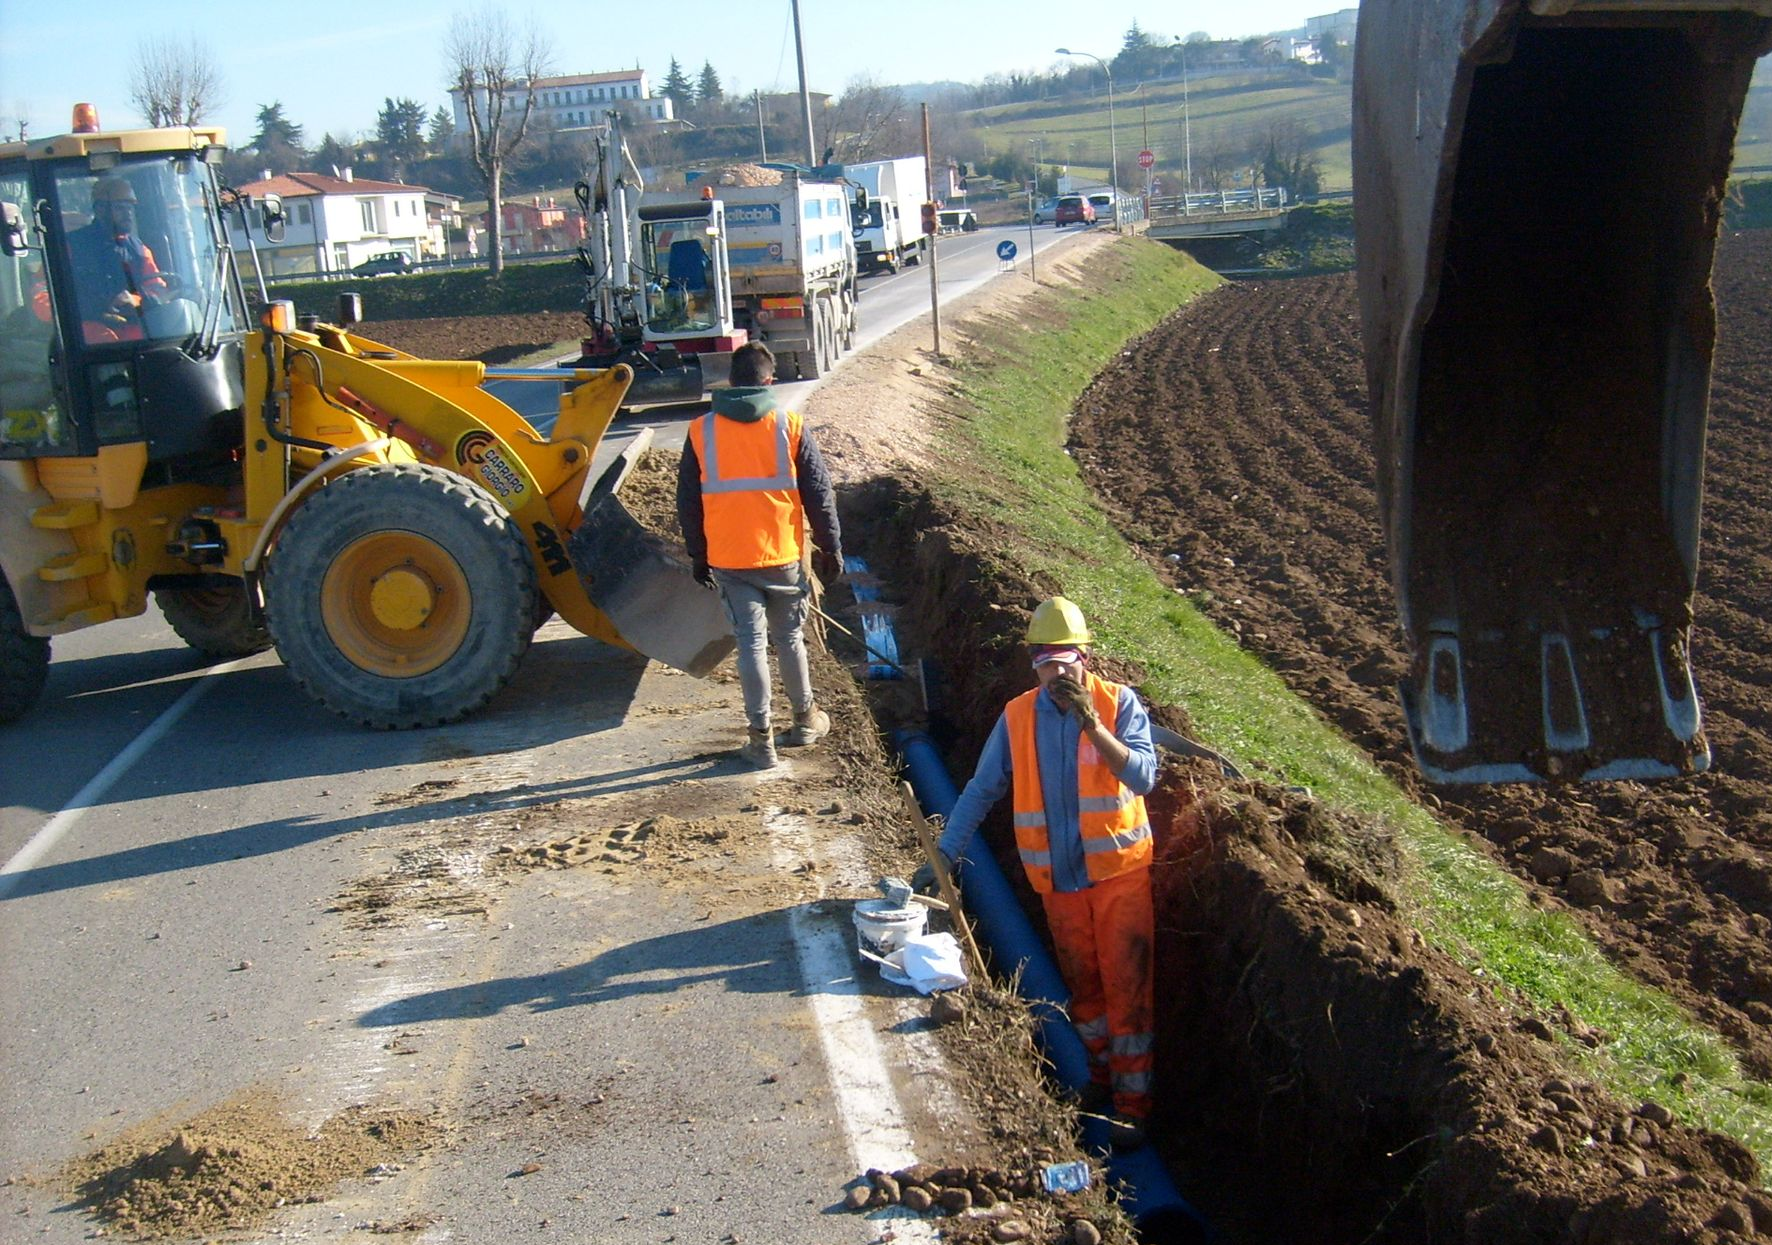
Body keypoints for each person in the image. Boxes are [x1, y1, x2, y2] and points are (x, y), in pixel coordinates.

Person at [933, 596, 1158, 1149]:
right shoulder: (1016, 716)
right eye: (1043, 662)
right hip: (1059, 885)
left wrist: (1093, 726)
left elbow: (1146, 776)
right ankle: (1101, 1082)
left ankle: (1134, 1108)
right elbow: (983, 788)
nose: (1054, 673)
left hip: (1117, 880)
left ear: (1084, 658)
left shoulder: (1117, 703)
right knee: (1085, 995)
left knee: (1128, 994)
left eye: (1063, 662)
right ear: (1032, 662)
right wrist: (943, 854)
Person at [677, 341, 843, 769]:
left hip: (730, 559)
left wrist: (699, 556)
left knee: (751, 644)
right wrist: (831, 547)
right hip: (783, 556)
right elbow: (819, 495)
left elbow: (688, 503)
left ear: (730, 383)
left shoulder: (702, 431)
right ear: (769, 381)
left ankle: (760, 740)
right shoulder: (789, 425)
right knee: (788, 639)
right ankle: (806, 720)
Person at [64, 176, 167, 342]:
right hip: (88, 340)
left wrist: (134, 299)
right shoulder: (70, 246)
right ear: (100, 210)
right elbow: (47, 299)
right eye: (120, 208)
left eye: (130, 207)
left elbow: (158, 290)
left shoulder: (140, 250)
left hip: (135, 339)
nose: (128, 213)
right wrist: (101, 306)